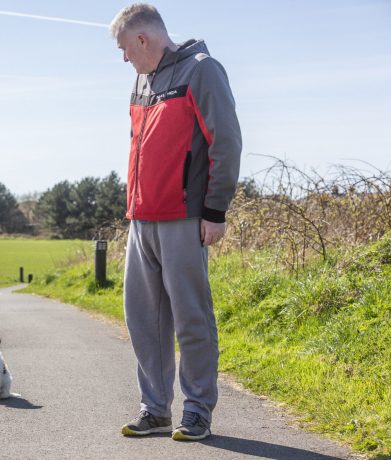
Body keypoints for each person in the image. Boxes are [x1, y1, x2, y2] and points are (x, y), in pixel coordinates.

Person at [110, 4, 242, 441]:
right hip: (141, 219)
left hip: (185, 217)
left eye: (125, 48)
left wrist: (215, 211)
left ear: (143, 39)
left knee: (191, 317)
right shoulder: (142, 80)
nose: (124, 58)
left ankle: (198, 410)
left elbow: (225, 141)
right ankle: (155, 410)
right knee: (143, 320)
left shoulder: (202, 71)